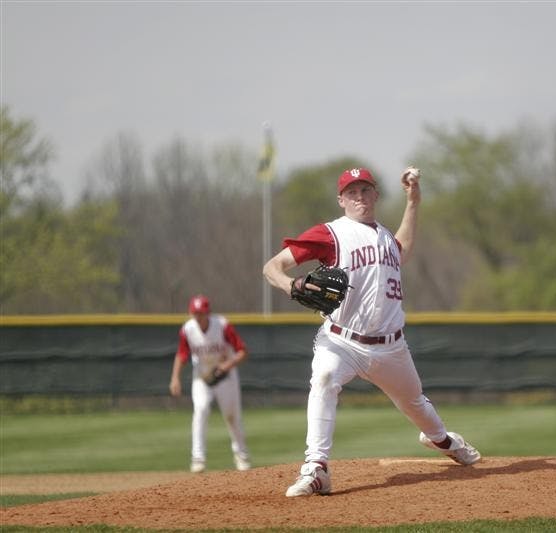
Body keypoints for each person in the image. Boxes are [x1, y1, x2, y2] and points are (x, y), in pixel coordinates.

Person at [263, 167, 481, 498]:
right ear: (341, 200)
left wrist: (414, 202)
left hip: (391, 348)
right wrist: (291, 285)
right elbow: (272, 268)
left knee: (416, 405)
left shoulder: (384, 237)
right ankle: (316, 468)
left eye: (365, 190)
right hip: (341, 341)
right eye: (352, 192)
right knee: (323, 379)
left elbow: (402, 248)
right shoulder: (331, 233)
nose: (360, 197)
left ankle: (444, 441)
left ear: (376, 195)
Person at [169, 295, 251, 473]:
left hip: (226, 376)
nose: (198, 317)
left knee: (231, 415)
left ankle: (241, 455)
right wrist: (175, 377)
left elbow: (243, 351)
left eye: (201, 313)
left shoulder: (222, 325)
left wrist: (226, 365)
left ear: (208, 313)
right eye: (195, 313)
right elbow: (182, 355)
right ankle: (198, 458)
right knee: (201, 409)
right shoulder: (188, 329)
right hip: (202, 378)